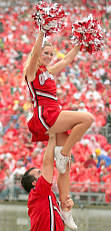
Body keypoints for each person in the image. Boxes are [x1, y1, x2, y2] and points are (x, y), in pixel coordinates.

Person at [24, 30, 94, 175]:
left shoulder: (48, 71)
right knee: (88, 119)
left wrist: (80, 43)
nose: (49, 57)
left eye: (51, 54)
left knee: (66, 166)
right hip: (45, 115)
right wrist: (42, 32)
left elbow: (66, 60)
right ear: (38, 54)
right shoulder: (32, 72)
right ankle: (62, 154)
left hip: (53, 113)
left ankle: (66, 197)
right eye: (46, 53)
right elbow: (35, 54)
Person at [21, 133, 77, 231]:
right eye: (39, 172)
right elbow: (47, 163)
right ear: (35, 183)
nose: (42, 173)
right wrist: (52, 137)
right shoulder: (37, 192)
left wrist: (66, 210)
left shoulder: (48, 197)